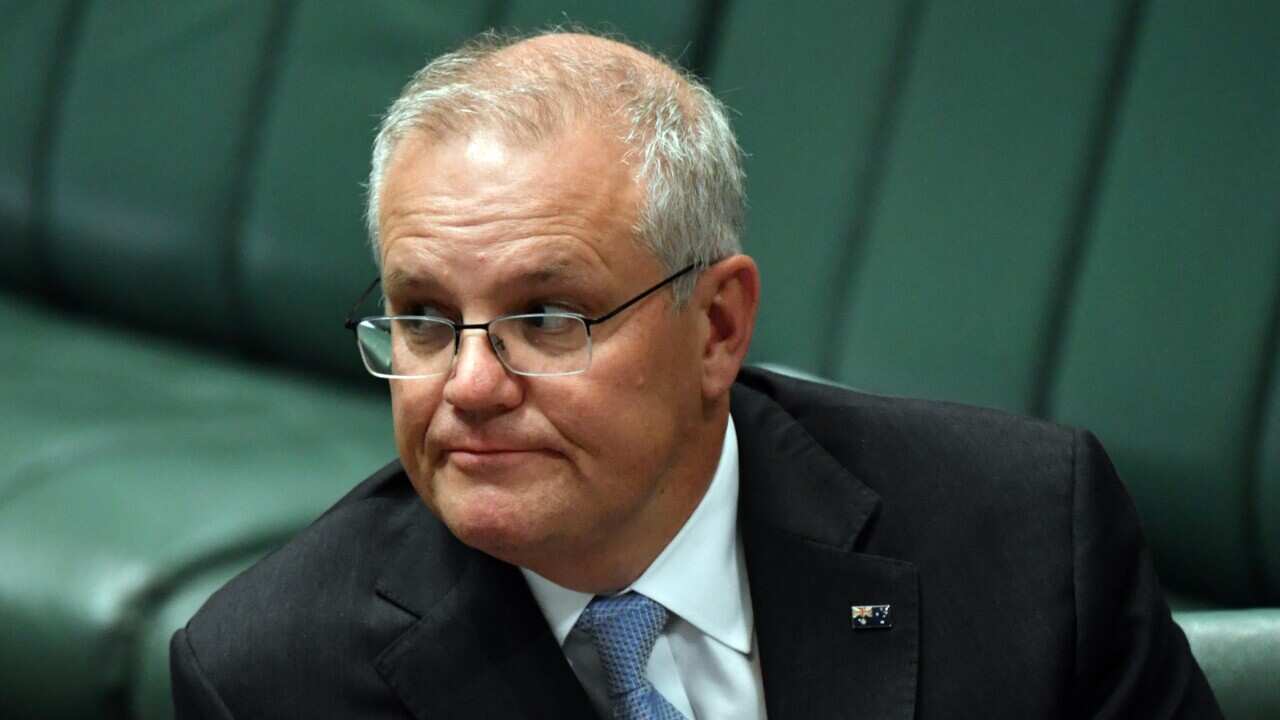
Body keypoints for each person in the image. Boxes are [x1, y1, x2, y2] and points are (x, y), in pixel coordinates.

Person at [170, 31, 1221, 719]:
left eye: (545, 317)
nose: (470, 385)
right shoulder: (270, 677)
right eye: (426, 321)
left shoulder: (1024, 532)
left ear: (715, 327)